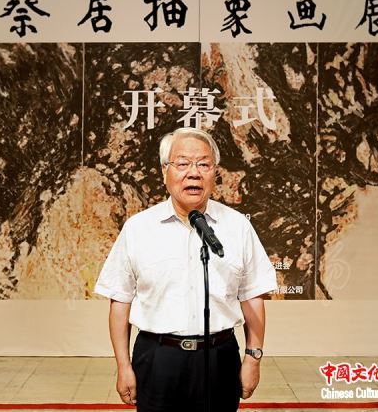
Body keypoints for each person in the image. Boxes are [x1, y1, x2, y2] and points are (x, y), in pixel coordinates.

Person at [95, 127, 277, 412]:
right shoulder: (138, 229)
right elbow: (120, 301)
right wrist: (123, 365)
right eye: (182, 164)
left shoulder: (237, 226)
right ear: (164, 171)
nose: (194, 173)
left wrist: (253, 358)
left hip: (219, 357)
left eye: (204, 164)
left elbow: (253, 296)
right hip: (157, 359)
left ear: (215, 172)